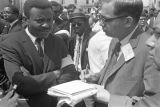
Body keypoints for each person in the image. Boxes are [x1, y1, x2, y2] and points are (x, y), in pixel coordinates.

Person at [0, 0, 79, 107]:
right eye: (40, 20)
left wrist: (33, 80)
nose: (46, 25)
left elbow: (70, 73)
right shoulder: (10, 43)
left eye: (49, 20)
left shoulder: (57, 41)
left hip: (55, 103)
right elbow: (20, 83)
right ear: (26, 20)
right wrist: (56, 74)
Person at [85, 0, 160, 107]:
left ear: (127, 21)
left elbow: (152, 101)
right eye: (99, 17)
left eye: (105, 19)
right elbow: (113, 72)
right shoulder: (115, 40)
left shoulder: (151, 50)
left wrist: (110, 99)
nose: (100, 23)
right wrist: (97, 77)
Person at [68, 8, 91, 72]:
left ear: (85, 23)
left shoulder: (91, 39)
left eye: (79, 24)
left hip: (85, 72)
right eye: (73, 24)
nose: (76, 26)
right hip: (74, 72)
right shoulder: (71, 40)